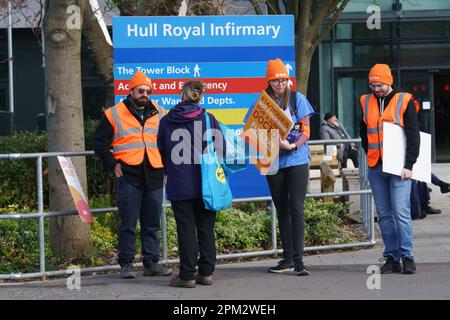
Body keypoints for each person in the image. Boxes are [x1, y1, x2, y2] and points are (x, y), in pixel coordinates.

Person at [93, 71, 172, 279]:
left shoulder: (160, 112)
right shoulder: (114, 113)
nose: (144, 94)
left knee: (152, 222)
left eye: (148, 91)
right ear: (131, 90)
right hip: (128, 174)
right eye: (141, 90)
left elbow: (168, 142)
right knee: (128, 222)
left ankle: (151, 263)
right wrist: (112, 164)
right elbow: (98, 143)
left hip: (154, 173)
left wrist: (166, 168)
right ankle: (126, 264)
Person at [244, 58, 314, 276]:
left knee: (296, 209)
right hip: (273, 161)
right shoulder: (262, 103)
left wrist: (292, 145)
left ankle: (299, 260)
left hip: (297, 160)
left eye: (282, 80)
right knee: (282, 210)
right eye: (275, 81)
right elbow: (251, 132)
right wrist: (269, 142)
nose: (279, 84)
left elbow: (307, 131)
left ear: (287, 80)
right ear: (269, 82)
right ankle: (287, 258)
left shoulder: (297, 99)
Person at [157, 80, 224, 288]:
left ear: (181, 95)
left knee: (185, 229)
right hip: (207, 184)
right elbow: (220, 148)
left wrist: (168, 171)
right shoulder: (208, 118)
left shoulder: (167, 121)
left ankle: (186, 275)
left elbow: (161, 150)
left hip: (179, 182)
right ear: (200, 96)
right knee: (206, 227)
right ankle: (206, 273)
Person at [360, 64, 420, 274]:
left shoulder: (404, 100)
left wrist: (409, 165)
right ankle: (392, 257)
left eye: (380, 84)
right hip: (377, 167)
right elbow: (363, 132)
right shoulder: (366, 101)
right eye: (373, 84)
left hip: (399, 168)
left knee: (401, 213)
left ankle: (407, 256)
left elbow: (414, 135)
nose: (376, 88)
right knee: (384, 215)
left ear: (389, 81)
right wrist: (371, 155)